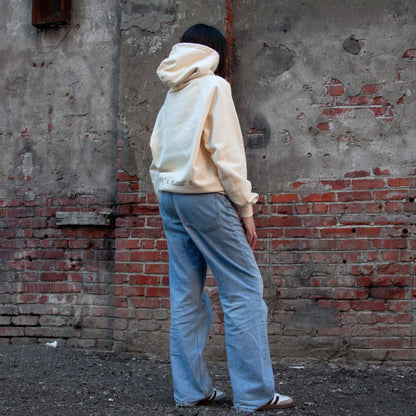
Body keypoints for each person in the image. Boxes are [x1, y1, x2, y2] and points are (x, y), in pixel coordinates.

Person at [149, 23, 294, 412]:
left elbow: (157, 147)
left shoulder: (173, 90)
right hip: (204, 196)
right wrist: (245, 207)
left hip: (171, 196)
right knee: (244, 290)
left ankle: (191, 391)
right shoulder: (214, 86)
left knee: (185, 294)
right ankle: (255, 395)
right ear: (216, 52)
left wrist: (166, 191)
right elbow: (227, 155)